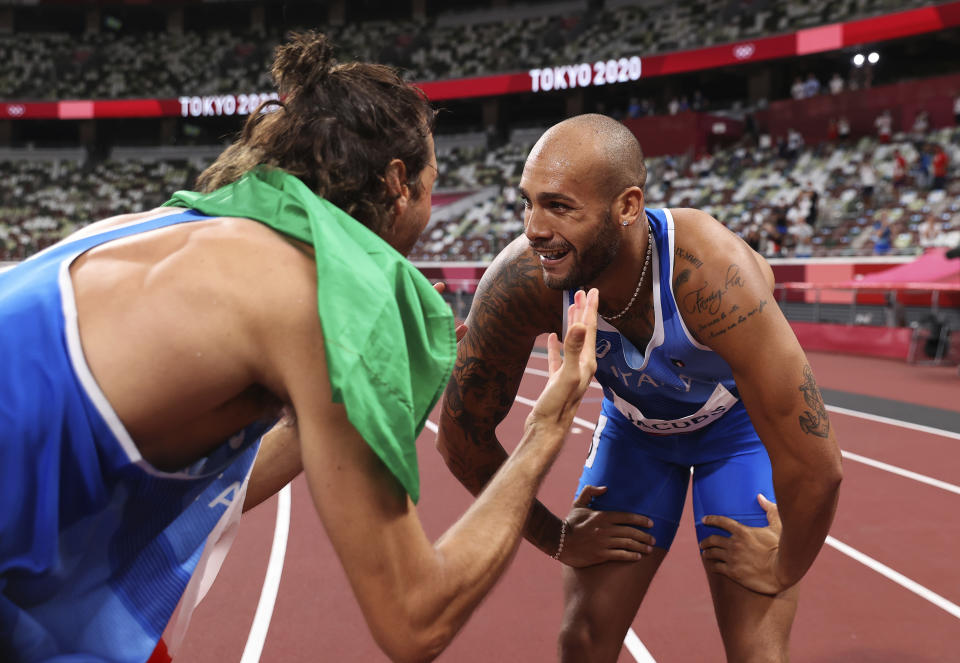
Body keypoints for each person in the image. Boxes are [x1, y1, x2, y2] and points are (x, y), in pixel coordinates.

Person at [0, 32, 601, 663]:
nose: (429, 205)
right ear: (397, 182)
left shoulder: (175, 226)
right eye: (431, 183)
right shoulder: (332, 293)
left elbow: (205, 481)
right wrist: (547, 425)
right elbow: (414, 620)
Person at [436, 114, 843, 662]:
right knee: (581, 642)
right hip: (635, 432)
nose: (532, 227)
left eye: (558, 206)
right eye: (526, 202)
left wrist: (786, 563)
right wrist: (555, 535)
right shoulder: (522, 281)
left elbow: (817, 463)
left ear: (628, 206)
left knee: (757, 651)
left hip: (735, 431)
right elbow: (461, 439)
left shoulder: (709, 275)